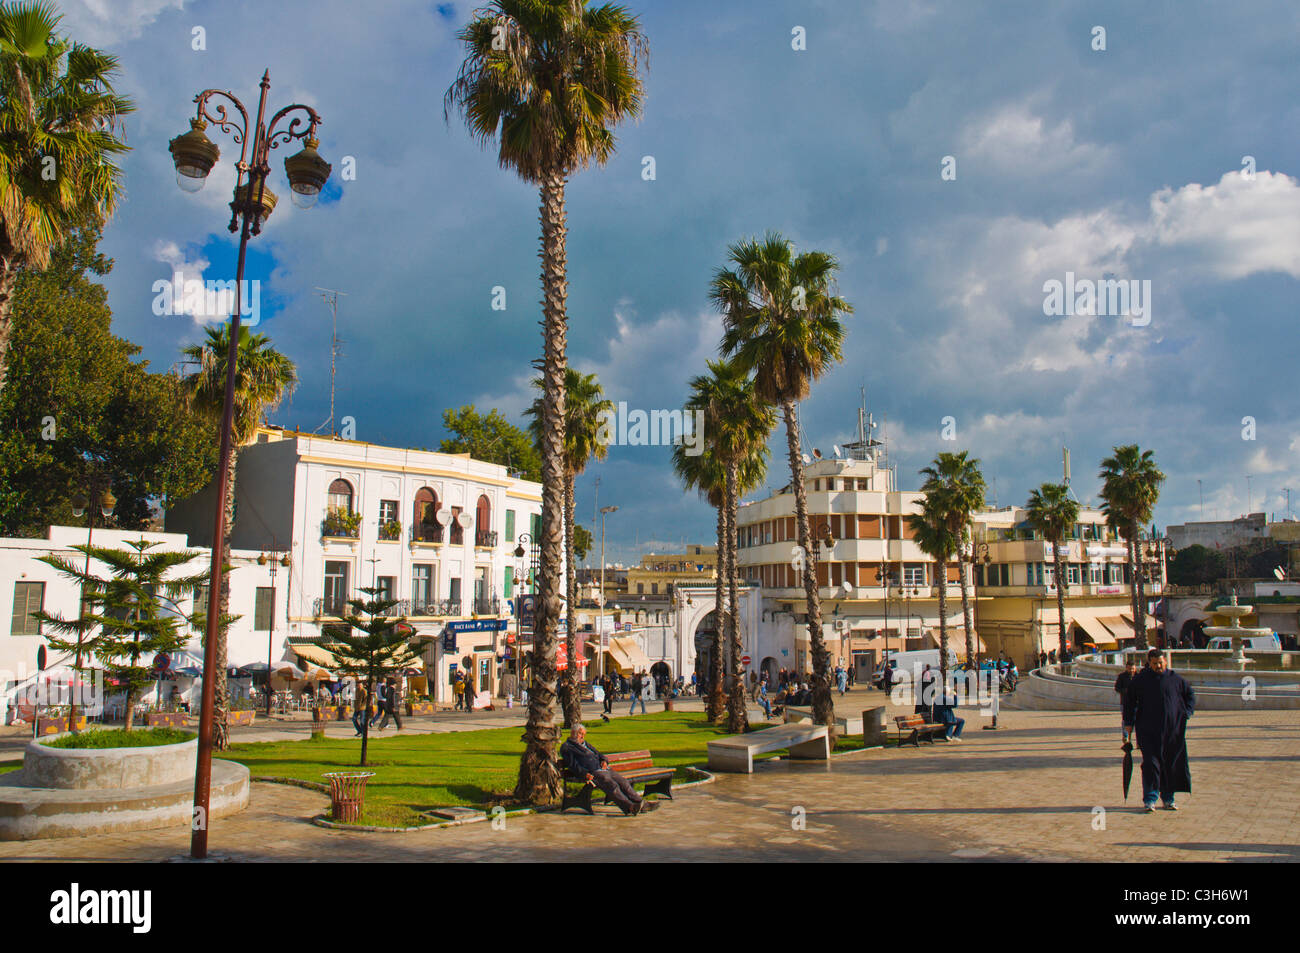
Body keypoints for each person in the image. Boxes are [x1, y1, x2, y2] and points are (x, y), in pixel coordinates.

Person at [1123, 648, 1196, 813]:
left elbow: (1190, 695)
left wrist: (1187, 712)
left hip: (1172, 732)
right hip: (1148, 731)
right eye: (1154, 663)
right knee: (1151, 764)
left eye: (1160, 663)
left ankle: (1169, 799)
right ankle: (1150, 799)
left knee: (1170, 764)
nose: (1158, 666)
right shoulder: (1140, 680)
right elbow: (1129, 703)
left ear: (1166, 662)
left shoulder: (1176, 679)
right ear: (1149, 663)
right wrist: (1128, 724)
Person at [560, 723, 644, 816]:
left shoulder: (585, 743)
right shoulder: (567, 747)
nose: (582, 736)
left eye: (583, 734)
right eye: (580, 733)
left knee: (623, 782)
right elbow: (572, 765)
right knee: (612, 785)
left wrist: (604, 761)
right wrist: (584, 774)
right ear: (573, 733)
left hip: (604, 769)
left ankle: (641, 803)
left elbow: (599, 754)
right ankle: (630, 807)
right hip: (593, 772)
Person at [1114, 657, 1139, 737]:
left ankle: (1139, 741)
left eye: (1132, 668)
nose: (1131, 670)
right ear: (1126, 668)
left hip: (1137, 703)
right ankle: (1126, 736)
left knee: (1138, 721)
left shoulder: (1139, 676)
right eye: (1129, 669)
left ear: (1135, 668)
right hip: (1125, 702)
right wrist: (1125, 691)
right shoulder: (1122, 677)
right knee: (1126, 720)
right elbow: (1117, 688)